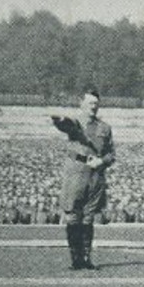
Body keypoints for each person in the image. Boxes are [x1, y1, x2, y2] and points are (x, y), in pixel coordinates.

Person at [51, 89, 115, 270]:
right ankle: (75, 259)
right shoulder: (75, 124)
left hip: (95, 175)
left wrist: (101, 161)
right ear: (81, 104)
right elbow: (63, 125)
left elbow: (111, 154)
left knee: (88, 218)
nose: (93, 107)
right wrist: (59, 119)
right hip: (75, 172)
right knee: (73, 216)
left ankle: (86, 258)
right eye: (90, 103)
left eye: (96, 103)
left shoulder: (105, 128)